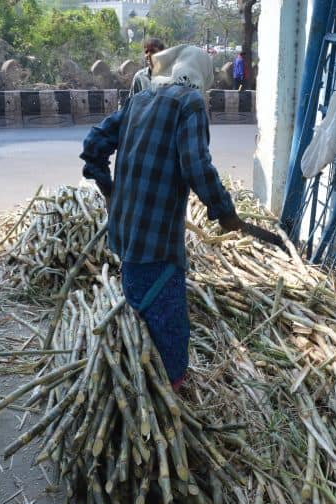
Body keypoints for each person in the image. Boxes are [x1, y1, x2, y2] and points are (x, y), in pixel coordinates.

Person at [81, 45, 282, 391]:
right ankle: (169, 394)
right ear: (201, 77)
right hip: (157, 239)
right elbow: (197, 165)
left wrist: (110, 191)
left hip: (126, 234)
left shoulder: (139, 100)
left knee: (141, 315)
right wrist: (224, 212)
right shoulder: (190, 104)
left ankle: (146, 384)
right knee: (168, 327)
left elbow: (93, 144)